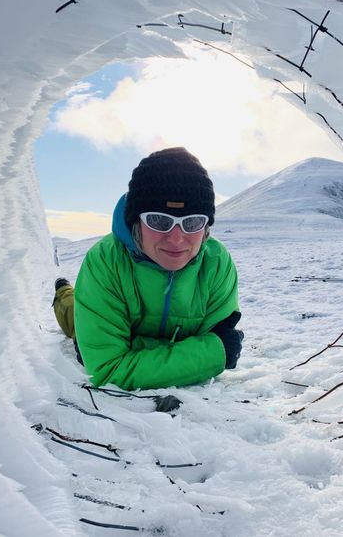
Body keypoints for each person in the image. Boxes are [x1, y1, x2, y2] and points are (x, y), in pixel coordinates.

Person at [52, 147, 243, 390]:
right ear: (136, 222)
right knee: (72, 314)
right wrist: (208, 354)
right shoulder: (105, 261)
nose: (176, 238)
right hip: (87, 311)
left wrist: (131, 350)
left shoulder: (216, 264)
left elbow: (217, 342)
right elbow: (108, 368)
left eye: (192, 222)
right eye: (158, 220)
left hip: (113, 324)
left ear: (206, 227)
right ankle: (63, 292)